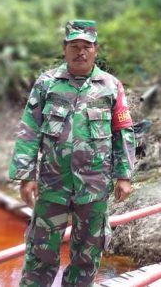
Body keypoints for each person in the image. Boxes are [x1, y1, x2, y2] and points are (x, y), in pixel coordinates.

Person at [8, 19, 136, 287]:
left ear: (96, 50)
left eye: (86, 46)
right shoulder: (46, 85)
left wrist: (124, 175)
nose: (81, 51)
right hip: (53, 185)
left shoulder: (111, 86)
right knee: (40, 253)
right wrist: (25, 174)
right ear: (64, 48)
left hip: (93, 189)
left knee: (87, 256)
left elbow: (122, 132)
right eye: (74, 45)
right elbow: (30, 130)